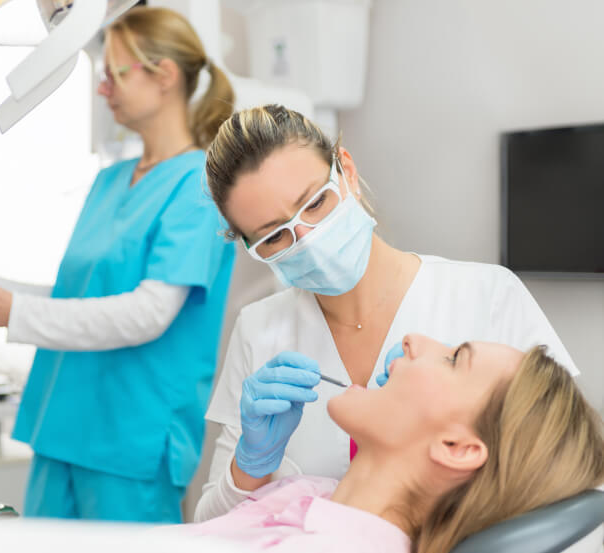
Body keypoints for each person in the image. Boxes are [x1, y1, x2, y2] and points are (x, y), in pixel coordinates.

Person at [195, 104, 580, 521]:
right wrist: (250, 465)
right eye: (274, 237)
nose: (307, 240)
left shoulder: (488, 295)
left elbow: (571, 481)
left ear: (347, 171)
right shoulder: (259, 329)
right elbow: (210, 525)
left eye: (316, 203)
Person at [0, 6, 235, 523]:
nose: (101, 88)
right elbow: (73, 297)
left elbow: (148, 313)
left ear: (165, 76)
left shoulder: (199, 186)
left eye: (113, 73)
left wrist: (15, 313)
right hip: (62, 427)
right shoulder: (112, 179)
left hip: (131, 440)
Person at [173, 336, 604, 552]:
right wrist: (253, 465)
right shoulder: (312, 496)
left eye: (454, 359)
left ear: (456, 446)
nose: (413, 339)